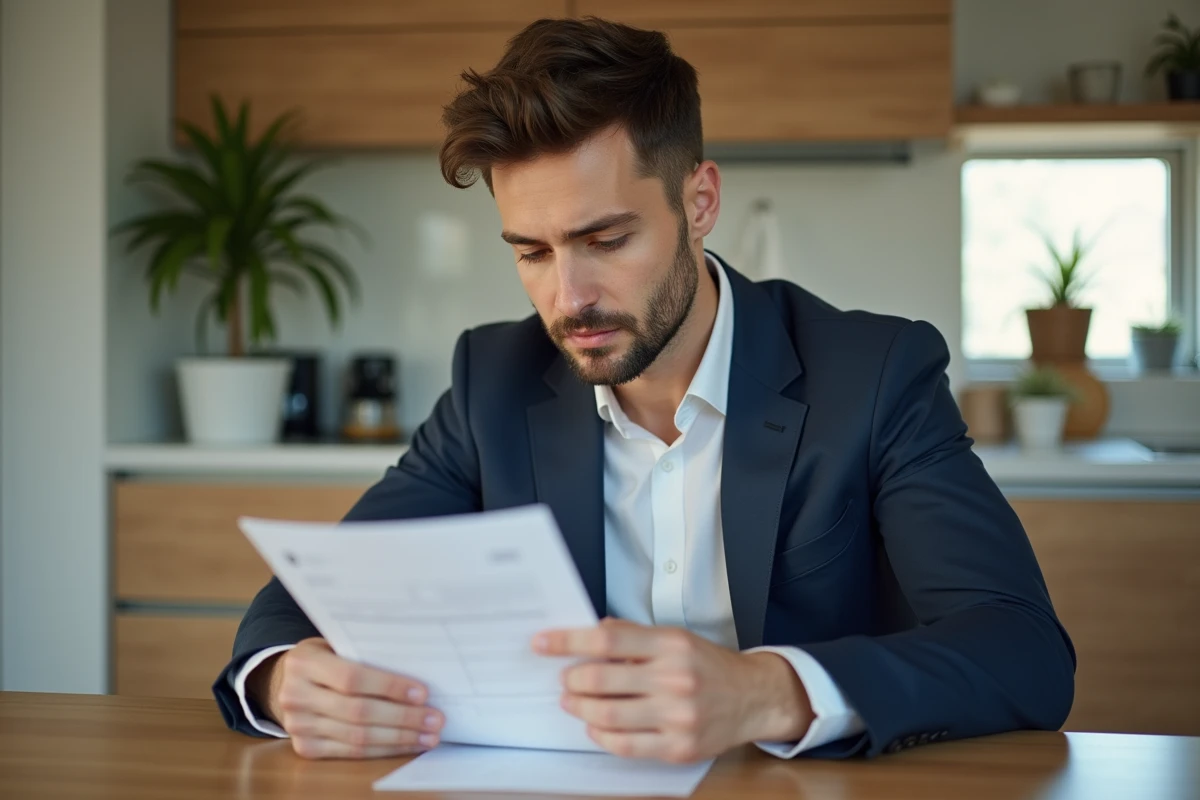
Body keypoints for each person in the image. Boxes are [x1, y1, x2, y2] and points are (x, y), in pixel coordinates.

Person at [213, 16, 1074, 763]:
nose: (568, 296)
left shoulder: (874, 373)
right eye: (532, 252)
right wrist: (287, 678)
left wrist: (767, 692)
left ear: (699, 202)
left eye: (606, 238)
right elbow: (311, 592)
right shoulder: (495, 381)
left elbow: (1023, 650)